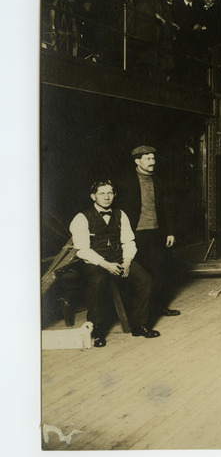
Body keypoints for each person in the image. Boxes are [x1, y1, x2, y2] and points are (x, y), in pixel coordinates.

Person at [69, 179, 160, 347]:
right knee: (98, 281)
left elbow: (128, 242)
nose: (106, 197)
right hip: (93, 261)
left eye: (110, 193)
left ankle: (139, 325)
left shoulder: (120, 214)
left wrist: (126, 262)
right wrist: (106, 265)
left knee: (144, 280)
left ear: (114, 195)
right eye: (102, 193)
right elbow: (82, 250)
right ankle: (97, 331)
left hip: (119, 258)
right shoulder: (81, 218)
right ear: (93, 196)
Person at [116, 144, 180, 318]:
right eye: (148, 159)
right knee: (138, 275)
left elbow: (167, 207)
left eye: (153, 158)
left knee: (159, 271)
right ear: (137, 161)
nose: (153, 162)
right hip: (134, 235)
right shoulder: (125, 181)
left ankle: (158, 307)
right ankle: (136, 312)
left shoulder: (158, 180)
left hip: (156, 233)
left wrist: (170, 232)